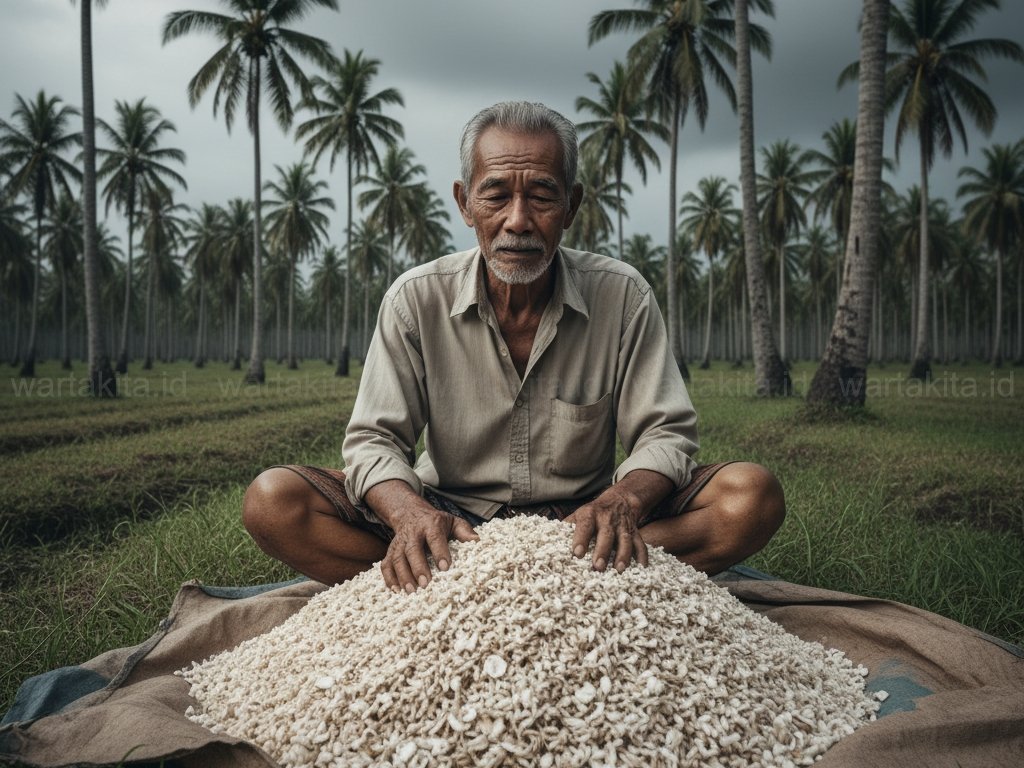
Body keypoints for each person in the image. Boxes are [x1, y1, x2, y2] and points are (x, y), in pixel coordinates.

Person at [243, 101, 785, 594]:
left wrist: (621, 502)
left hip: (582, 527)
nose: (518, 220)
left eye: (542, 196)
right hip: (450, 525)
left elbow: (664, 433)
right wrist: (409, 514)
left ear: (570, 206)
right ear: (465, 203)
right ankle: (454, 572)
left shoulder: (622, 295)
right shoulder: (415, 300)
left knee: (750, 499)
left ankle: (510, 581)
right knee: (274, 503)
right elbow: (373, 441)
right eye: (496, 194)